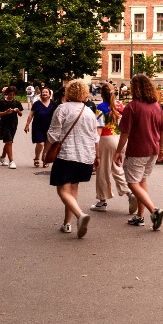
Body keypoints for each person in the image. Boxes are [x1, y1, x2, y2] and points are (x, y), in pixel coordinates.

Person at [47, 80, 99, 238]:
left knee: (63, 190)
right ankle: (67, 224)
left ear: (68, 92)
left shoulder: (62, 109)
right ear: (84, 93)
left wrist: (47, 149)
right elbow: (95, 137)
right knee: (73, 189)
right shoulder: (89, 111)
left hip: (66, 155)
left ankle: (80, 215)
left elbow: (53, 134)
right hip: (85, 156)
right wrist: (97, 156)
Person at [114, 74, 163, 230]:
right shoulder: (156, 106)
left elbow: (125, 132)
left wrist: (118, 152)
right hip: (153, 150)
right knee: (142, 181)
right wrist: (161, 148)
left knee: (132, 182)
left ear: (135, 87)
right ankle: (139, 217)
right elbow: (162, 129)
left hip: (137, 151)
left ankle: (154, 210)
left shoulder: (132, 107)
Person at [91, 83, 135, 213]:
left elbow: (98, 129)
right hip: (120, 139)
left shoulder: (101, 107)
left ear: (102, 94)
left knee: (102, 170)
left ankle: (102, 201)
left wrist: (95, 149)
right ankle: (130, 193)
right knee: (117, 168)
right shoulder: (121, 105)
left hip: (106, 139)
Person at [24, 87, 55, 167]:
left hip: (49, 127)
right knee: (40, 143)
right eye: (43, 92)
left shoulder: (53, 103)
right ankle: (37, 158)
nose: (44, 94)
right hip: (38, 126)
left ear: (49, 94)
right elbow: (31, 115)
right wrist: (27, 125)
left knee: (47, 145)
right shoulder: (37, 104)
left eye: (46, 92)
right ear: (41, 94)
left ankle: (45, 159)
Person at [0, 86, 24, 169]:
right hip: (4, 124)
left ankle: (2, 157)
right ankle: (11, 161)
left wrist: (17, 110)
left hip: (13, 124)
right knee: (9, 141)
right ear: (7, 93)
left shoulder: (17, 102)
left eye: (13, 95)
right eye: (10, 94)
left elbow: (21, 114)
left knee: (9, 142)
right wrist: (5, 112)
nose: (11, 96)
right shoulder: (2, 102)